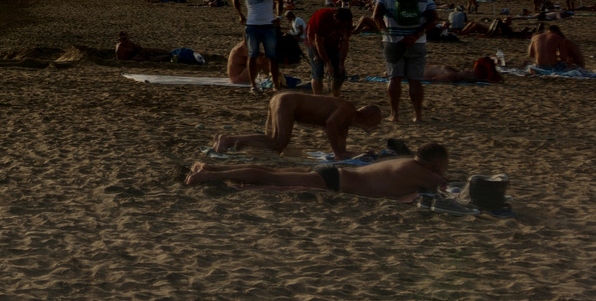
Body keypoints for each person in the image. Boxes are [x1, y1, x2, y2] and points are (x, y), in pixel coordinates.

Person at [186, 143, 451, 198]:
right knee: (270, 178)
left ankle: (213, 167)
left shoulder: (405, 161)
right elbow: (446, 189)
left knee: (269, 172)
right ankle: (211, 175)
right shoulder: (425, 173)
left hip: (334, 174)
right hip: (334, 181)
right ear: (437, 163)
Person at [211, 91, 383, 159]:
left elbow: (342, 152)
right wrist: (337, 152)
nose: (374, 128)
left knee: (273, 144)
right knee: (279, 142)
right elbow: (330, 124)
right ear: (369, 116)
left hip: (282, 99)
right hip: (288, 102)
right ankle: (228, 139)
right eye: (375, 123)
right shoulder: (348, 109)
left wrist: (361, 153)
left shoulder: (345, 125)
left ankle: (234, 142)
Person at [372, 0, 438, 123]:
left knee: (394, 78)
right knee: (415, 80)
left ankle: (394, 115)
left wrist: (388, 34)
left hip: (392, 43)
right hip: (417, 42)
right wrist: (417, 35)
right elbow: (434, 19)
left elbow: (376, 16)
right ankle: (417, 116)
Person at [233, 0, 286, 95]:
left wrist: (278, 16)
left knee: (272, 56)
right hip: (252, 26)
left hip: (268, 25)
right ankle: (253, 86)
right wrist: (240, 14)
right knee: (252, 55)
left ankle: (275, 85)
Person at [305, 6, 354, 96]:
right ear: (335, 18)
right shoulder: (323, 18)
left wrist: (341, 63)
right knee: (318, 71)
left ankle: (334, 97)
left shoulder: (348, 22)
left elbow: (344, 43)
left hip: (333, 41)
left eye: (345, 25)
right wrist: (327, 63)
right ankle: (318, 98)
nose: (342, 27)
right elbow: (318, 43)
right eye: (340, 24)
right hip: (314, 41)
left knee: (340, 72)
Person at [423, 58, 503, 85]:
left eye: (471, 73)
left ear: (468, 76)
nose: (470, 70)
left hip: (417, 69)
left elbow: (433, 80)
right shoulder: (455, 72)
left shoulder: (452, 75)